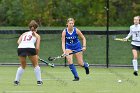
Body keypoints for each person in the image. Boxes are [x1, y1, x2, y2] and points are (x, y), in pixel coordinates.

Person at [14, 20, 43, 85]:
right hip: (30, 48)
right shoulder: (37, 36)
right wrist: (36, 55)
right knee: (36, 65)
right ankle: (39, 81)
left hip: (20, 48)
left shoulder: (24, 33)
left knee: (23, 65)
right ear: (36, 28)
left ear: (29, 27)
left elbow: (18, 42)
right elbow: (37, 48)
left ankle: (16, 81)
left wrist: (24, 46)